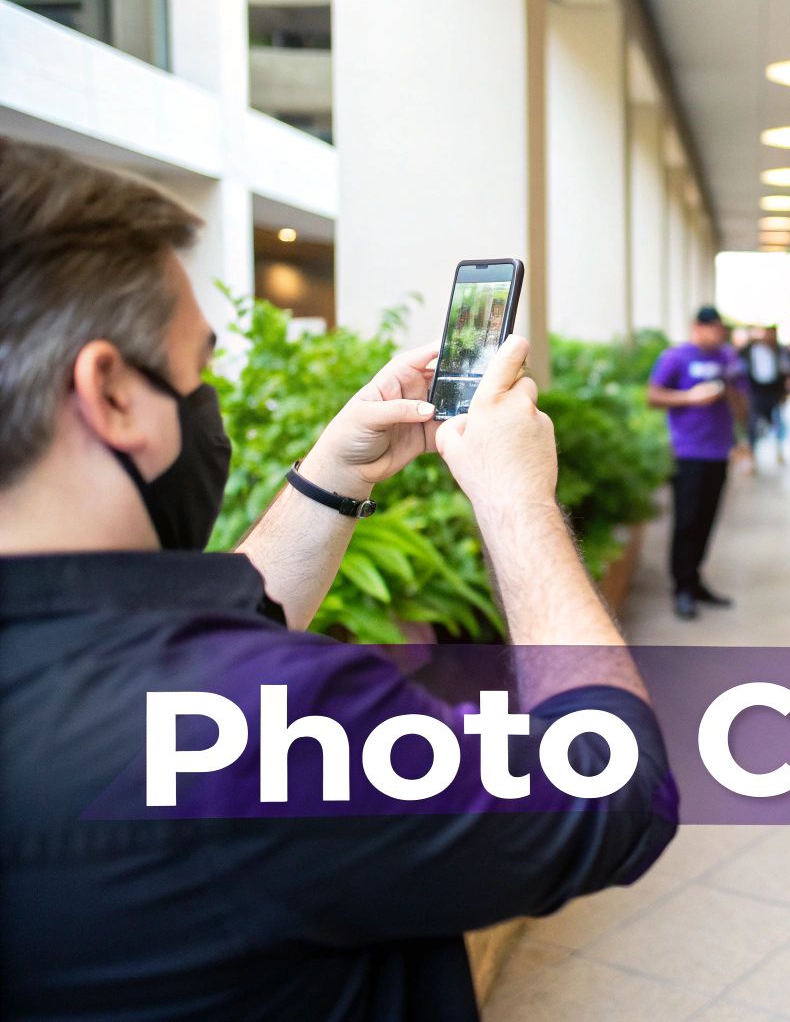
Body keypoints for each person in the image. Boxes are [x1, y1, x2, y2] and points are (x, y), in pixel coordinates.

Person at [0, 138, 676, 1019]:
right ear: (111, 393)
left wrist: (334, 474)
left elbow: (188, 644)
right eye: (196, 368)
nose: (205, 396)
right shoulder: (265, 727)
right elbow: (607, 786)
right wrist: (516, 503)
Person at [648, 306, 748, 619]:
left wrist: (731, 386)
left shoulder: (727, 359)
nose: (719, 334)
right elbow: (653, 397)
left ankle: (696, 579)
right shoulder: (676, 358)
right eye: (715, 328)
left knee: (707, 520)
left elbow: (743, 410)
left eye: (722, 329)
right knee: (687, 521)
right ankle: (682, 588)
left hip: (719, 452)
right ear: (698, 327)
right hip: (687, 452)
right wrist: (690, 397)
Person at [739, 325, 790, 467]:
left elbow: (787, 369)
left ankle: (779, 451)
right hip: (756, 391)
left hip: (774, 392)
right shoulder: (750, 351)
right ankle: (752, 457)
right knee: (753, 424)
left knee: (778, 422)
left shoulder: (779, 351)